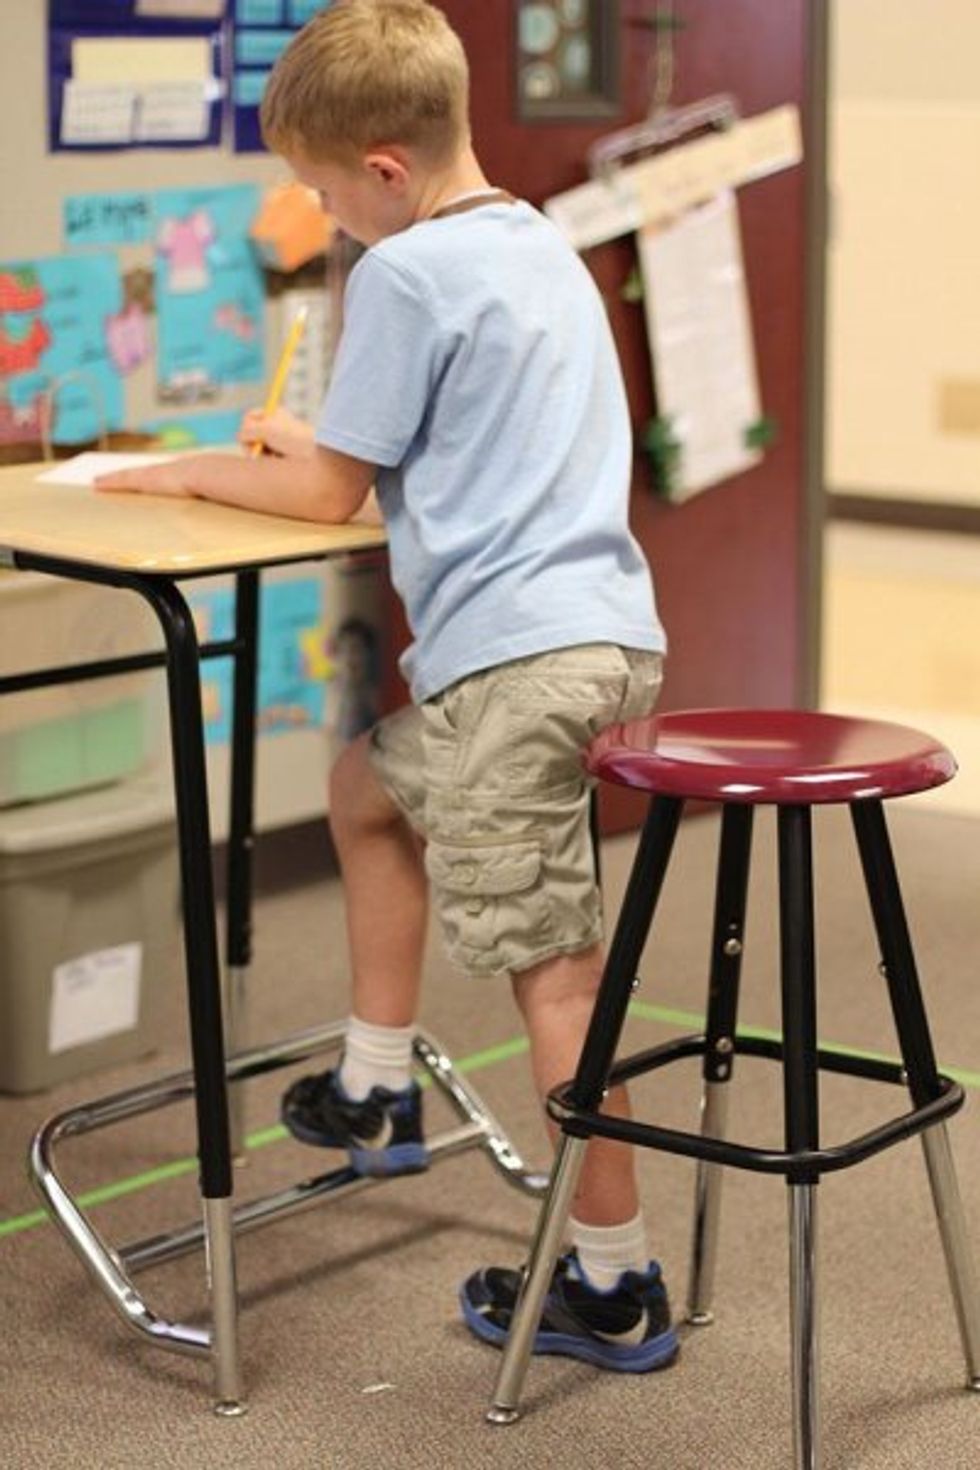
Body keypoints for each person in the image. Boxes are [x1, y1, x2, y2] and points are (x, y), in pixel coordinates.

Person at [97, 0, 675, 1375]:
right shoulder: (535, 239)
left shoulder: (400, 273)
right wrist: (317, 435)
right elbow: (431, 432)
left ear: (384, 173)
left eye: (319, 192)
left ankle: (616, 1281)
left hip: (515, 666)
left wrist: (184, 466)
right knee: (365, 785)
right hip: (602, 637)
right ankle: (372, 1086)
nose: (319, 217)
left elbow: (325, 491)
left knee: (555, 977)